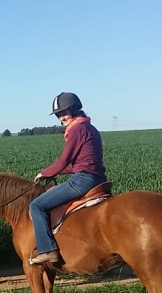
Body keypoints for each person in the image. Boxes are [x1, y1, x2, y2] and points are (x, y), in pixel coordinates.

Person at [28, 92, 107, 264]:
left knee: (37, 205)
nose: (60, 117)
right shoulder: (89, 128)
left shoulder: (77, 129)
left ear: (74, 109)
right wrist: (57, 172)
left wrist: (45, 173)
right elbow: (77, 163)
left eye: (64, 112)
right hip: (98, 178)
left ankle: (48, 250)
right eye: (58, 114)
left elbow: (65, 159)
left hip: (82, 180)